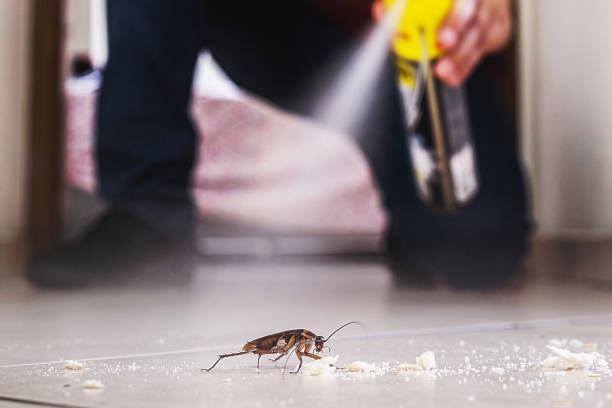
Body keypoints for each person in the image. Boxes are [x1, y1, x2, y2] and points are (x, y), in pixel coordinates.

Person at [28, 0, 530, 289]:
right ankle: (146, 212)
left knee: (478, 248)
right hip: (268, 17)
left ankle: (417, 219)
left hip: (403, 41)